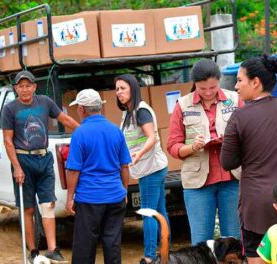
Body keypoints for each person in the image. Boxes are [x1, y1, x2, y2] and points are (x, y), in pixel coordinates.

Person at [221, 54, 277, 264]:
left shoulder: (240, 117)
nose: (236, 86)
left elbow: (228, 162)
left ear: (255, 82)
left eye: (239, 80)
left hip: (258, 208)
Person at [1, 70, 79, 262]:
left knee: (48, 204)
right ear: (15, 88)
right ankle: (34, 251)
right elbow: (8, 140)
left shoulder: (44, 101)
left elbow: (64, 119)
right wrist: (17, 168)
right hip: (23, 161)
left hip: (44, 159)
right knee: (28, 209)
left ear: (34, 87)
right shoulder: (10, 109)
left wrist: (85, 130)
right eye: (21, 86)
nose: (25, 89)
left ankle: (53, 249)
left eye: (28, 85)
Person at [167, 58, 243, 245]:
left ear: (219, 81)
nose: (208, 93)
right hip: (198, 184)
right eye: (202, 89)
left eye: (213, 87)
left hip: (232, 179)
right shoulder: (182, 105)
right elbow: (173, 146)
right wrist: (193, 147)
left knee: (233, 241)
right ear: (195, 84)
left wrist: (232, 140)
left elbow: (249, 135)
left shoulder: (235, 99)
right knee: (201, 243)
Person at [65, 89, 131, 264]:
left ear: (82, 109)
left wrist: (70, 197)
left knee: (84, 247)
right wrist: (123, 191)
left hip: (89, 198)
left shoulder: (80, 133)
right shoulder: (115, 130)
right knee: (112, 244)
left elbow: (73, 170)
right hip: (115, 196)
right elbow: (125, 166)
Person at [115, 74, 169, 264]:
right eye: (117, 89)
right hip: (150, 167)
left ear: (132, 88)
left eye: (122, 88)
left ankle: (150, 256)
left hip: (150, 168)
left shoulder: (141, 111)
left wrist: (138, 155)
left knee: (148, 212)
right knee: (159, 211)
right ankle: (164, 253)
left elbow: (151, 137)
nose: (119, 92)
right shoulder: (128, 112)